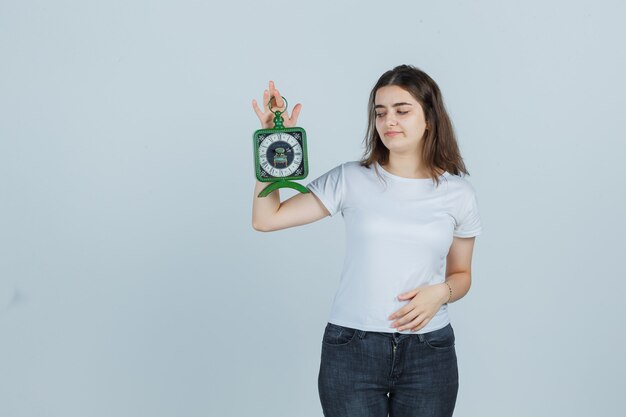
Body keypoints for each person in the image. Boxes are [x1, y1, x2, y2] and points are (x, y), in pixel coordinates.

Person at [251, 64, 482, 417]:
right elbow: (267, 219)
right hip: (351, 349)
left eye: (402, 111)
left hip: (429, 351)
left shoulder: (458, 193)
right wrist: (270, 143)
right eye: (380, 112)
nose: (390, 121)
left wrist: (441, 293)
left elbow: (462, 274)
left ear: (429, 118)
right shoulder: (351, 179)